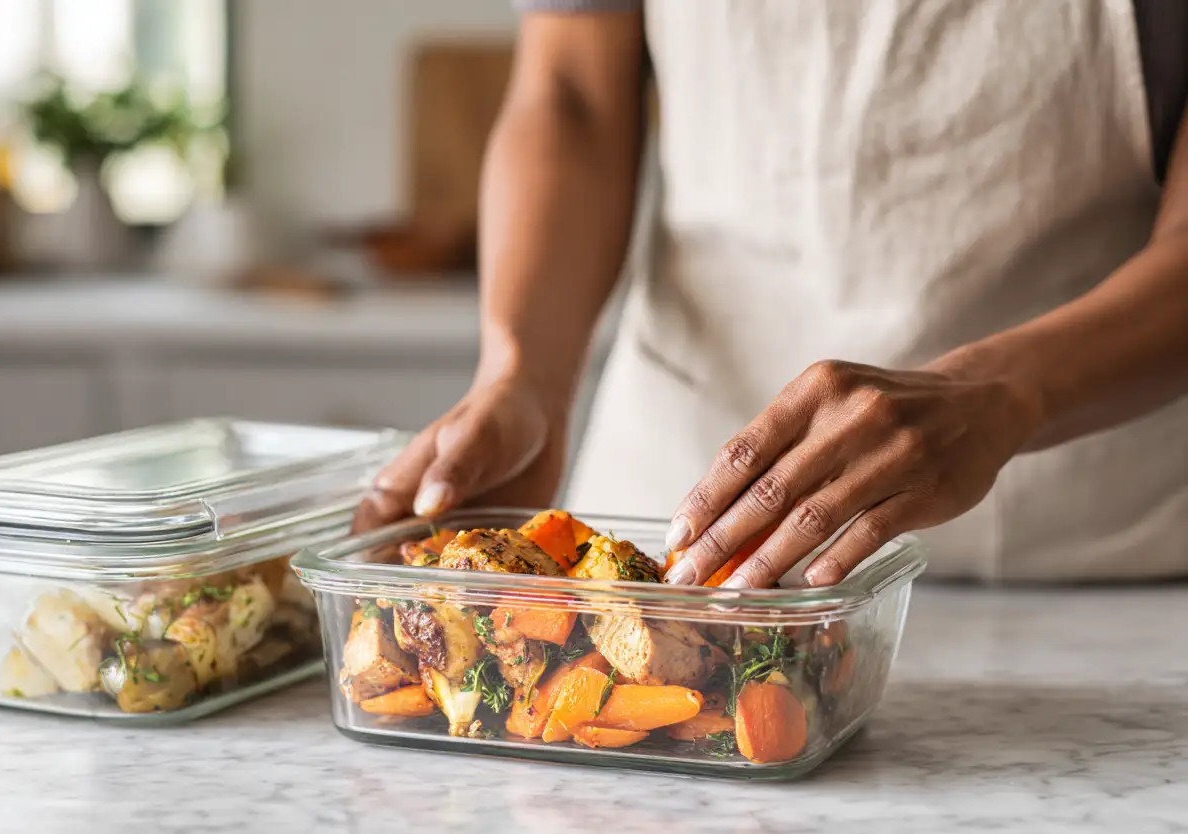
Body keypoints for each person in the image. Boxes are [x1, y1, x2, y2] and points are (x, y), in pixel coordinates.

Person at [356, 1, 1188, 586]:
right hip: (676, 544)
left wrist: (1008, 393)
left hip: (1097, 541)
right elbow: (571, 94)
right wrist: (524, 372)